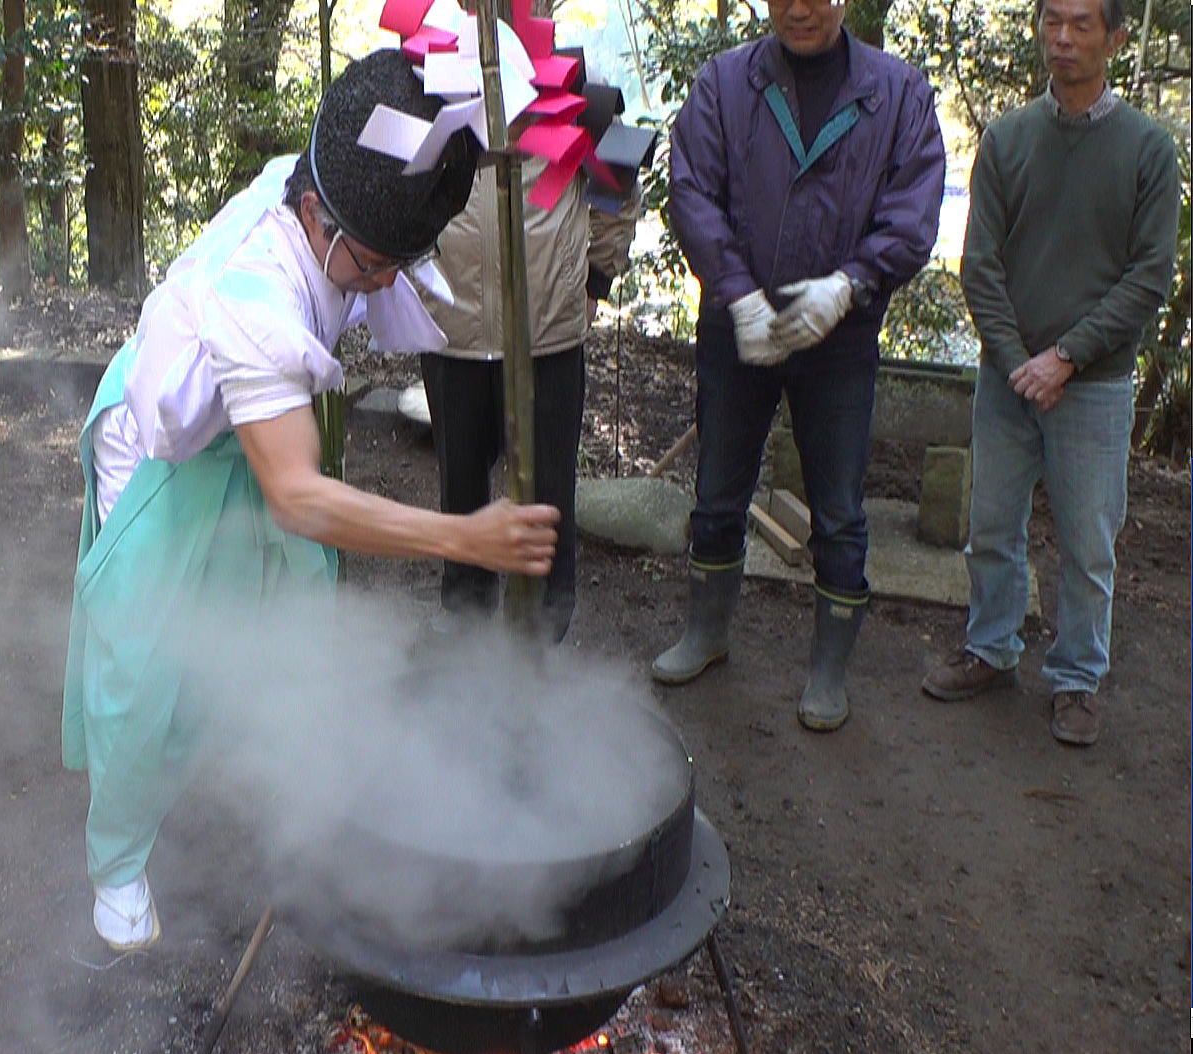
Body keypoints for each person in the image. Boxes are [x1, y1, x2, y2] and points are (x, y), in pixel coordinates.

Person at [63, 50, 559, 951]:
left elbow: (407, 132)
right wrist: (465, 537)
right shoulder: (253, 297)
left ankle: (261, 763)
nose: (381, 283)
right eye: (374, 265)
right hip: (166, 450)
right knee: (142, 666)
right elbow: (296, 495)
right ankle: (118, 865)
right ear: (312, 215)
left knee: (275, 611)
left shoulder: (336, 174)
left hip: (262, 430)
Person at [655, 0, 945, 730]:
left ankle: (828, 670)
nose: (800, 8)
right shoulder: (725, 83)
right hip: (737, 327)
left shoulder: (897, 91)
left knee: (841, 510)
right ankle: (707, 632)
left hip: (839, 337)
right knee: (719, 490)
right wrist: (736, 295)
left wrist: (850, 284)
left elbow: (912, 211)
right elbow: (690, 191)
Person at [920, 0, 1178, 747]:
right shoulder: (1007, 139)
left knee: (1088, 543)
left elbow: (1148, 279)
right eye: (1052, 22)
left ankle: (1076, 680)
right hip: (1008, 381)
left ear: (1116, 37)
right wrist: (1015, 361)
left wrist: (1065, 358)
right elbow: (980, 267)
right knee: (993, 525)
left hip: (1094, 388)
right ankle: (993, 648)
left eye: (1082, 25)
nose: (1062, 39)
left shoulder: (1148, 150)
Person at [417, 156, 639, 643]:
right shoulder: (429, 84)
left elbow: (615, 182)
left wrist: (594, 279)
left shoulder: (575, 85)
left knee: (547, 489)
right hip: (451, 326)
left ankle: (542, 625)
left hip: (548, 334)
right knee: (459, 481)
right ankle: (464, 607)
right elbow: (401, 179)